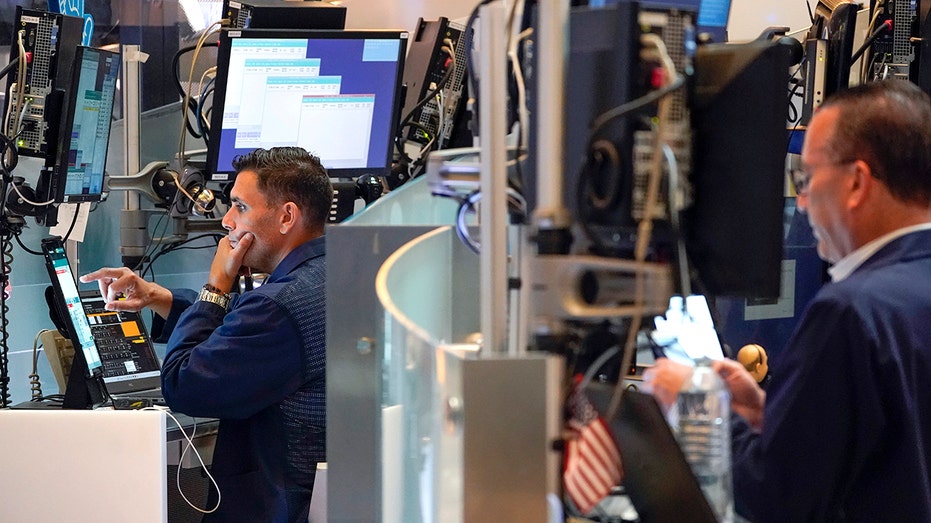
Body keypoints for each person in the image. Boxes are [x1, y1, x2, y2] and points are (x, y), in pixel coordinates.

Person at [644, 80, 931, 522]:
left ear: (856, 182)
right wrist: (768, 416)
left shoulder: (851, 311)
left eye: (807, 177)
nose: (800, 201)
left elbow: (775, 496)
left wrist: (698, 404)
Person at [81, 147, 332, 523]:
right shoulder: (337, 274)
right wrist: (158, 297)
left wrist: (216, 285)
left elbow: (184, 384)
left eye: (240, 207)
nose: (228, 221)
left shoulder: (278, 307)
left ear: (286, 216)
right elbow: (243, 332)